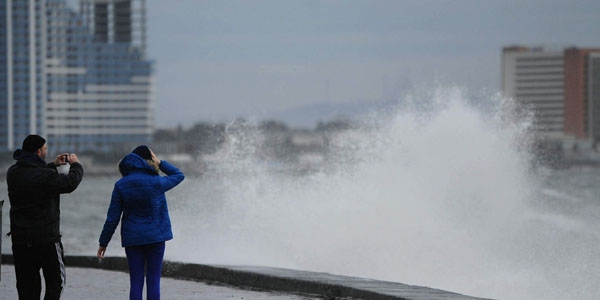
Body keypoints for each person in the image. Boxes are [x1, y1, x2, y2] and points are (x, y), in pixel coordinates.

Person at [97, 145, 185, 300]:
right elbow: (178, 175)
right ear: (149, 160)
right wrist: (160, 162)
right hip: (156, 238)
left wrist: (104, 242)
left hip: (133, 239)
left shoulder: (121, 185)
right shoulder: (157, 182)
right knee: (153, 280)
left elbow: (113, 218)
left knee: (136, 281)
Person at [6, 134, 84, 300]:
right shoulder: (44, 176)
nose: (46, 151)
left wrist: (53, 165)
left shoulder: (12, 173)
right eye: (45, 149)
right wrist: (76, 165)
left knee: (27, 286)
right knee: (56, 282)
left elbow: (33, 176)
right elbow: (69, 183)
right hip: (46, 239)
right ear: (38, 152)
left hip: (20, 240)